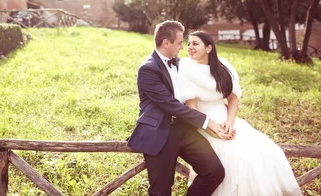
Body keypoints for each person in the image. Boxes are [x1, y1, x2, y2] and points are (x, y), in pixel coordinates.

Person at [179, 31, 302, 196]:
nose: (190, 48)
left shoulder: (223, 66)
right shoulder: (186, 69)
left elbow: (233, 97)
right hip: (204, 123)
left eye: (195, 44)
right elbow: (191, 108)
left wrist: (230, 122)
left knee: (263, 152)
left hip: (228, 120)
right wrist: (213, 129)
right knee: (233, 160)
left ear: (209, 48)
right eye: (188, 44)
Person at [127, 21, 229, 196]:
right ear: (166, 43)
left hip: (184, 129)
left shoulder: (181, 64)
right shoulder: (148, 69)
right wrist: (207, 121)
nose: (183, 47)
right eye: (180, 42)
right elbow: (170, 105)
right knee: (161, 191)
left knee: (215, 171)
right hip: (159, 133)